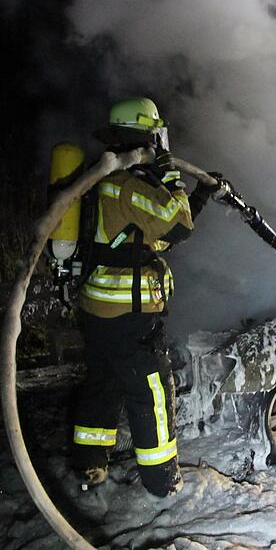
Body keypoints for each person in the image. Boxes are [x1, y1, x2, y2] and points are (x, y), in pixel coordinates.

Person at [70, 97, 219, 496]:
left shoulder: (101, 181)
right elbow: (178, 224)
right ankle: (161, 480)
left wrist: (201, 195)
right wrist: (170, 171)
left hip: (97, 308)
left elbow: (157, 237)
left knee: (104, 380)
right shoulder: (129, 184)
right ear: (147, 137)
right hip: (129, 313)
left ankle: (89, 464)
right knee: (151, 389)